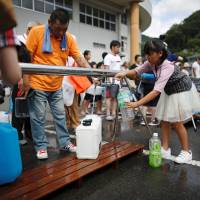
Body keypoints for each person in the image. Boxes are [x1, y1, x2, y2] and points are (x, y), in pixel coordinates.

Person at [115, 38, 200, 164]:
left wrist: (137, 103)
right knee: (164, 120)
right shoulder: (151, 62)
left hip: (181, 90)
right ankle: (165, 148)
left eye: (150, 54)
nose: (147, 57)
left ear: (160, 53)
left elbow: (156, 91)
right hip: (169, 90)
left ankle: (187, 152)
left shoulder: (167, 66)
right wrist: (125, 73)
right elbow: (137, 70)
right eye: (146, 54)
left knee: (176, 122)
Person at [23, 8, 90, 159]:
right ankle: (41, 146)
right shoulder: (36, 32)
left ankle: (65, 142)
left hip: (56, 84)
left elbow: (79, 57)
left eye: (64, 30)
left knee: (60, 115)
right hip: (37, 83)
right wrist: (26, 81)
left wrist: (91, 72)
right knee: (38, 117)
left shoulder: (68, 38)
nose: (61, 33)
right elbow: (26, 57)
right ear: (49, 23)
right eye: (58, 29)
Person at [104, 40, 122, 120]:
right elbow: (106, 69)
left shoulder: (118, 57)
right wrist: (109, 80)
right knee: (109, 98)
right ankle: (108, 114)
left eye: (119, 47)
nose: (119, 49)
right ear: (113, 47)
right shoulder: (108, 57)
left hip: (118, 81)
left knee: (115, 98)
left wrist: (120, 80)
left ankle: (114, 113)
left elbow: (119, 69)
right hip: (110, 80)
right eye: (118, 47)